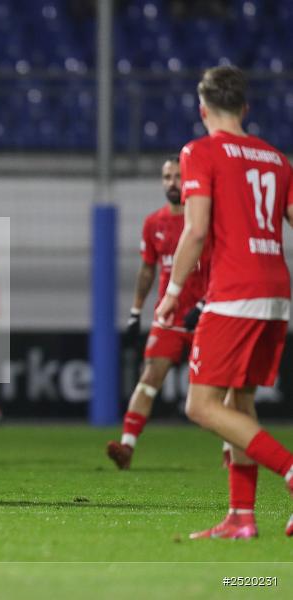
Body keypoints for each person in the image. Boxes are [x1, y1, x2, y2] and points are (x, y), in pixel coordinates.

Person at [155, 66, 293, 539]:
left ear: (203, 108)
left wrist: (173, 293)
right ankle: (241, 516)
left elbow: (195, 229)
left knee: (201, 405)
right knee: (240, 402)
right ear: (245, 108)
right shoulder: (276, 158)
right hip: (275, 290)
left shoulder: (200, 151)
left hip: (234, 293)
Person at [106, 157, 209, 469]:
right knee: (149, 377)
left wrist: (204, 303)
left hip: (207, 314)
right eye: (167, 177)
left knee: (221, 388)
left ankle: (231, 455)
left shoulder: (205, 220)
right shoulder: (154, 223)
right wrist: (135, 312)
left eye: (178, 176)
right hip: (169, 315)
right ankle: (126, 447)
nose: (172, 183)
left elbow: (221, 266)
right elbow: (147, 270)